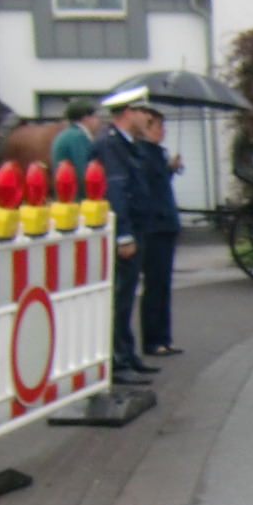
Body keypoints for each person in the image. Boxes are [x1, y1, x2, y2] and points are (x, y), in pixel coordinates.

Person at [92, 94, 157, 387]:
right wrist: (123, 234)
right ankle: (117, 361)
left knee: (127, 295)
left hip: (137, 226)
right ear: (129, 112)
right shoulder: (111, 145)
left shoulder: (128, 144)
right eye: (144, 111)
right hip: (125, 230)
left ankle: (128, 354)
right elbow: (115, 191)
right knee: (119, 299)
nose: (149, 118)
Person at [136, 107, 183, 357]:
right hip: (155, 227)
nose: (162, 131)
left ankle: (164, 337)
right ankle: (153, 340)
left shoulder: (156, 153)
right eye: (158, 127)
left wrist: (170, 169)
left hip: (165, 224)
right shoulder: (143, 154)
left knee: (163, 284)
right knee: (155, 284)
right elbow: (148, 190)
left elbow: (159, 183)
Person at [50, 97, 101, 180]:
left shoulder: (67, 134)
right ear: (86, 118)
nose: (98, 121)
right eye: (95, 116)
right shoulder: (77, 137)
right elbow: (82, 169)